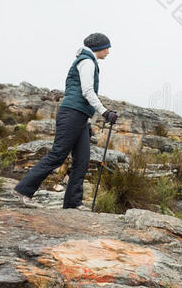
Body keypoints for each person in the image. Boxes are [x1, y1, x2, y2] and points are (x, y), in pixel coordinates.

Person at [13, 33, 118, 210]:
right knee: (57, 155)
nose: (108, 51)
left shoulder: (89, 61)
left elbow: (82, 95)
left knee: (82, 160)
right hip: (71, 115)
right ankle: (23, 191)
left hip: (80, 118)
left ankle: (72, 203)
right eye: (107, 47)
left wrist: (88, 123)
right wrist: (105, 112)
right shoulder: (87, 62)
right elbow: (87, 91)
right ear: (98, 48)